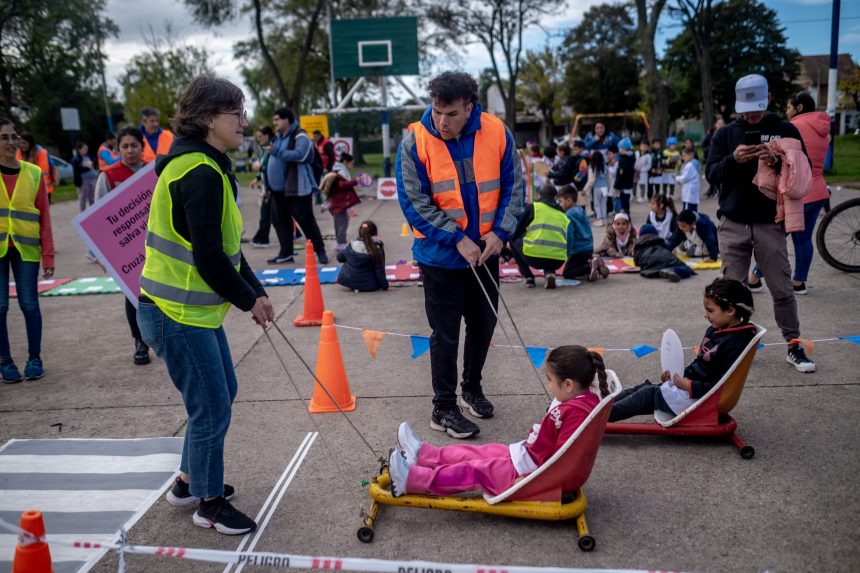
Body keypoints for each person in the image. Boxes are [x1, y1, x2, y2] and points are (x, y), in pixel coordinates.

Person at [137, 76, 274, 534]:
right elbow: (209, 258)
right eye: (235, 112)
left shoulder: (206, 165)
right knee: (212, 405)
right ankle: (209, 504)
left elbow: (228, 249)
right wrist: (247, 302)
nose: (244, 120)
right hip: (173, 313)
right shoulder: (198, 170)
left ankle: (188, 480)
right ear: (207, 118)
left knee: (218, 396)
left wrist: (256, 290)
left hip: (189, 311)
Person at [396, 71, 524, 438]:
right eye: (437, 111)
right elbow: (413, 201)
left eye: (451, 113)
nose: (441, 121)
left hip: (487, 253)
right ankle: (444, 407)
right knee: (445, 334)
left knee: (483, 325)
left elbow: (515, 185)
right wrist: (456, 238)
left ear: (469, 107)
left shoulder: (497, 132)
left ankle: (471, 388)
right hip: (440, 258)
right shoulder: (415, 141)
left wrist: (500, 233)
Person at [387, 345, 609, 497]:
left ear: (568, 384)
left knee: (472, 471)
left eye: (550, 380)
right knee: (474, 453)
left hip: (529, 471)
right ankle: (423, 455)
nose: (548, 385)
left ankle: (413, 480)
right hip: (526, 456)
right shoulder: (581, 397)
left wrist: (530, 480)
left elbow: (561, 460)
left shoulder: (576, 412)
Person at [705, 74, 815, 373]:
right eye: (746, 108)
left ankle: (793, 345)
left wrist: (777, 159)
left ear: (768, 99)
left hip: (769, 222)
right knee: (730, 294)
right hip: (732, 222)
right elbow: (712, 174)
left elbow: (802, 173)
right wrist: (733, 159)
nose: (752, 114)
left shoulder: (784, 128)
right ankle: (731, 350)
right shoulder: (726, 133)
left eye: (757, 106)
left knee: (781, 288)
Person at [609, 278, 756, 422]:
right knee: (645, 388)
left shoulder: (737, 342)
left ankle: (598, 418)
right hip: (690, 390)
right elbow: (701, 364)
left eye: (710, 310)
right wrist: (677, 374)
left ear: (730, 310)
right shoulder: (716, 329)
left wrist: (689, 385)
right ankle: (597, 408)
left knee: (647, 394)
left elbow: (723, 385)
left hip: (702, 398)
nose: (706, 315)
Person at [749, 92, 831, 296]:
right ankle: (799, 282)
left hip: (797, 191)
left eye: (789, 107)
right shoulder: (824, 130)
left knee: (775, 237)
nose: (786, 112)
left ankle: (755, 275)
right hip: (818, 188)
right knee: (803, 239)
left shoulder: (794, 128)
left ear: (799, 108)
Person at [0, 118, 54, 383]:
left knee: (30, 304)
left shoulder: (33, 173)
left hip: (26, 249)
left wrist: (48, 255)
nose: (12, 142)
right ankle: (5, 362)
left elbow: (44, 216)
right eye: (4, 137)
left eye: (14, 136)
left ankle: (35, 358)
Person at [94, 126, 152, 366]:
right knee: (133, 295)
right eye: (124, 147)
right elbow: (97, 218)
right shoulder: (108, 176)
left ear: (142, 146)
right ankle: (140, 342)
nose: (129, 151)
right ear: (117, 149)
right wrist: (102, 254)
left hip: (155, 244)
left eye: (134, 146)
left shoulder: (154, 171)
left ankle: (162, 339)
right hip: (125, 249)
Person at [266, 107, 328, 265]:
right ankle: (286, 253)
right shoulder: (277, 137)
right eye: (274, 120)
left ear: (287, 119)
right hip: (277, 191)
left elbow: (301, 155)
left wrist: (276, 152)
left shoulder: (301, 136)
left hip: (297, 189)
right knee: (281, 222)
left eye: (277, 119)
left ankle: (320, 251)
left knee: (306, 221)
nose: (275, 123)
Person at [510, 185, 569, 289]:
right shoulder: (562, 212)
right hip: (558, 260)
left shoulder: (533, 207)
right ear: (555, 198)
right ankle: (550, 273)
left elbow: (517, 231)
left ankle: (529, 277)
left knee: (513, 239)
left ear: (539, 196)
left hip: (533, 258)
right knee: (549, 245)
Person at [556, 186, 608, 282]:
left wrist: (568, 254)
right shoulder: (581, 211)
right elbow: (589, 230)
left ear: (568, 201)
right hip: (588, 249)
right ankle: (593, 263)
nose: (559, 204)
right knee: (577, 264)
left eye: (560, 201)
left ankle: (589, 267)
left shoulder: (568, 216)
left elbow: (569, 237)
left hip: (578, 251)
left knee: (567, 273)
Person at [321, 152, 361, 252]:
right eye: (351, 163)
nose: (352, 165)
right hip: (339, 203)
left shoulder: (337, 169)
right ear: (345, 162)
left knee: (341, 223)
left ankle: (341, 243)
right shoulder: (340, 172)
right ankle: (341, 244)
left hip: (338, 203)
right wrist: (356, 181)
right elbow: (342, 185)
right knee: (342, 224)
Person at [336, 220, 388, 292]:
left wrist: (352, 258)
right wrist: (385, 286)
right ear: (375, 233)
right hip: (369, 285)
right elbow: (380, 271)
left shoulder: (352, 245)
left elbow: (339, 258)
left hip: (348, 281)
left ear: (360, 232)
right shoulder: (376, 249)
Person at [249, 125, 276, 249]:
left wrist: (268, 188)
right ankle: (294, 234)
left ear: (267, 135)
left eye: (260, 137)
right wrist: (257, 178)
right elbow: (263, 170)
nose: (259, 139)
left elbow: (267, 168)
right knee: (272, 215)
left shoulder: (271, 149)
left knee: (266, 213)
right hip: (269, 187)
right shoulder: (264, 149)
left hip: (272, 188)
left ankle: (262, 239)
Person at [17, 133, 57, 199]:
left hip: (43, 190)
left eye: (24, 143)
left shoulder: (42, 152)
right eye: (20, 143)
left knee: (43, 209)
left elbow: (52, 166)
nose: (21, 145)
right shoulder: (18, 153)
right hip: (26, 192)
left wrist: (55, 179)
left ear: (30, 143)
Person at [583, 151, 609, 227]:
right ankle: (604, 219)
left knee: (597, 205)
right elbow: (608, 178)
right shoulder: (605, 166)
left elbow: (591, 180)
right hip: (605, 188)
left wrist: (585, 189)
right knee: (604, 204)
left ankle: (599, 220)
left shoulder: (592, 167)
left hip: (597, 188)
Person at [72, 141, 98, 214]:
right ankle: (83, 213)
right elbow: (78, 169)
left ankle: (93, 212)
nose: (86, 150)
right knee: (83, 198)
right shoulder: (76, 159)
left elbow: (94, 162)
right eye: (84, 149)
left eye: (86, 149)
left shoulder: (89, 156)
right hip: (83, 181)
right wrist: (87, 167)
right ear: (79, 149)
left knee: (92, 197)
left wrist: (91, 164)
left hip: (92, 179)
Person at [675, 146, 701, 212]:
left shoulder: (689, 165)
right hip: (693, 191)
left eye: (684, 156)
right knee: (694, 210)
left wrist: (676, 178)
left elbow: (685, 177)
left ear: (691, 155)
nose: (683, 158)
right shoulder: (696, 163)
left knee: (687, 211)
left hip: (689, 192)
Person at [614, 138, 635, 214]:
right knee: (626, 201)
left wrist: (617, 185)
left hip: (624, 185)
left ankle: (626, 215)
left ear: (624, 149)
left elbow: (621, 174)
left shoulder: (624, 160)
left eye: (620, 148)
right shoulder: (630, 157)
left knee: (624, 202)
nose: (619, 150)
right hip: (628, 184)